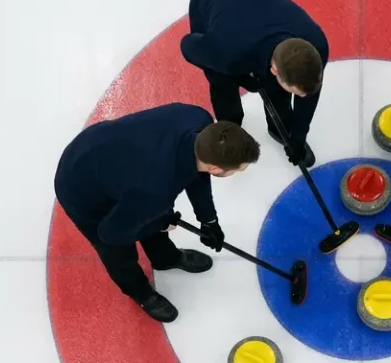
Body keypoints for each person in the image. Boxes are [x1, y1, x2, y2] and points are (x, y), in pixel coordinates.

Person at [54, 103, 260, 323]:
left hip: (114, 158)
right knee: (118, 251)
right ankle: (141, 293)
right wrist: (158, 223)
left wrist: (208, 220)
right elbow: (112, 233)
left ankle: (165, 258)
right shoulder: (154, 190)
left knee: (149, 212)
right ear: (216, 168)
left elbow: (196, 175)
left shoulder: (199, 121)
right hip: (82, 186)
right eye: (239, 169)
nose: (241, 171)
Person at [181, 0, 328, 169]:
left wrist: (299, 133)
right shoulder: (227, 51)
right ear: (274, 69)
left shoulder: (316, 45)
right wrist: (239, 76)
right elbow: (187, 45)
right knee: (221, 80)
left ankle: (280, 129)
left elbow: (309, 90)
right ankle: (231, 129)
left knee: (276, 90)